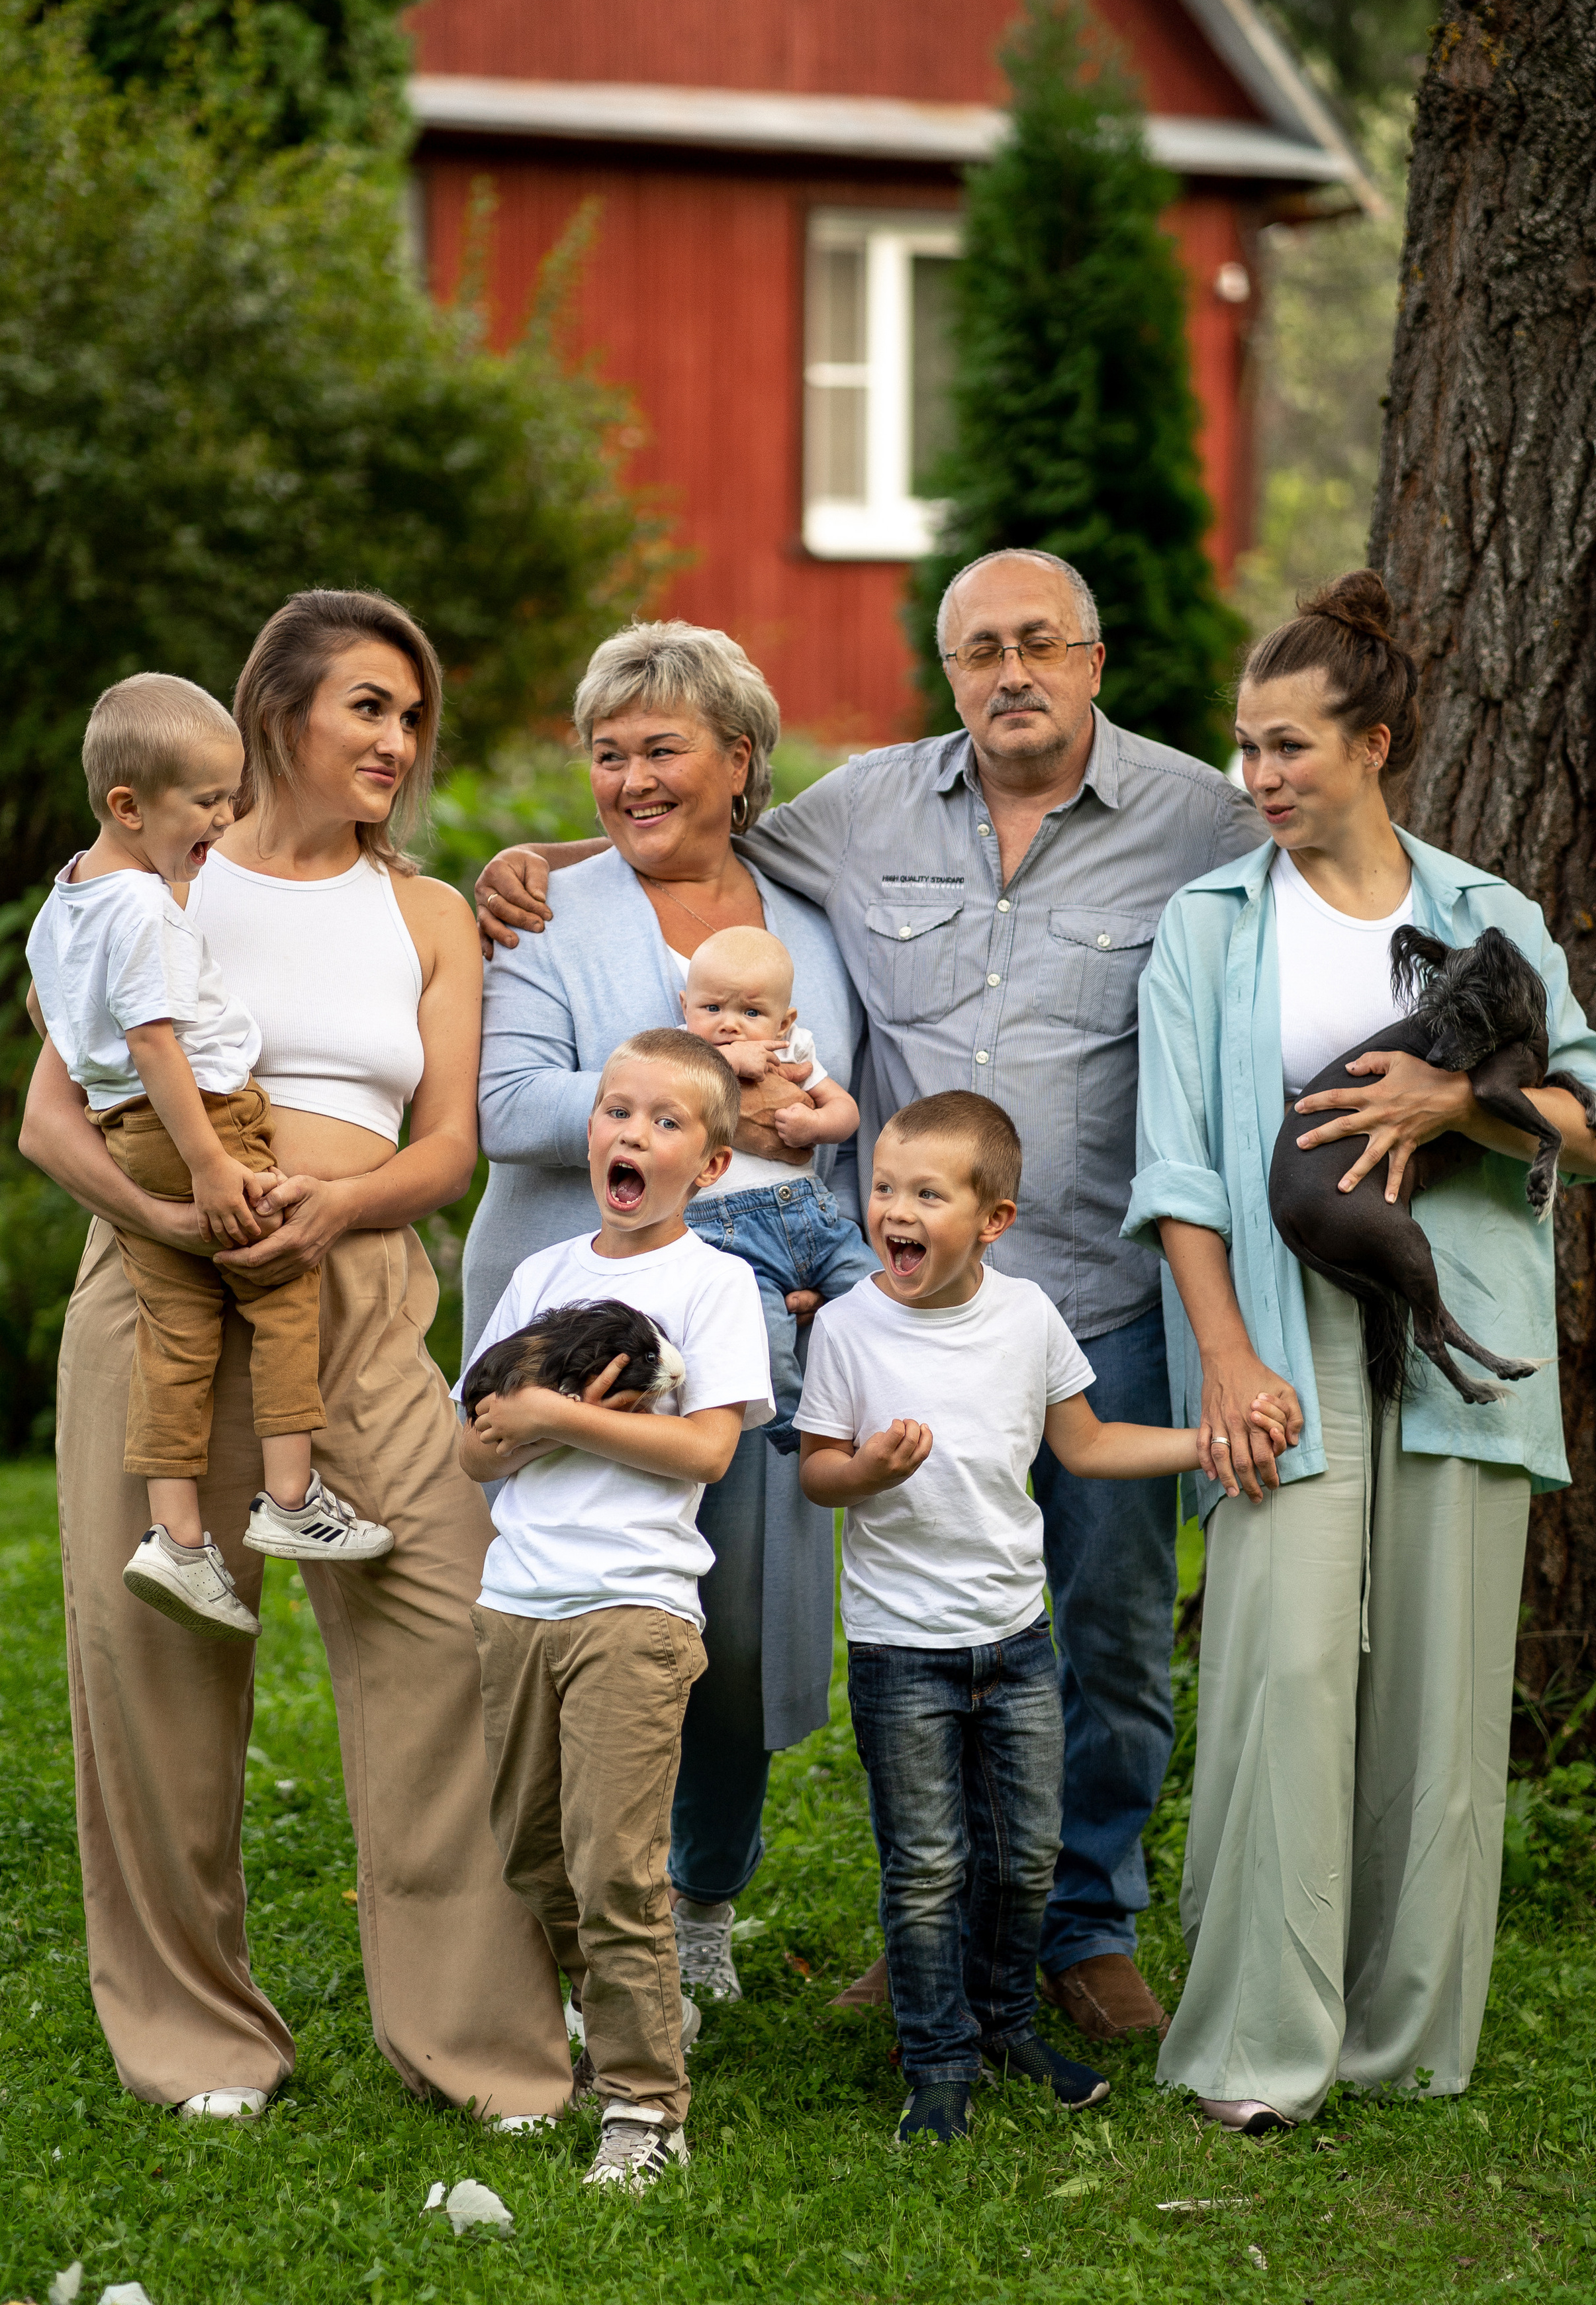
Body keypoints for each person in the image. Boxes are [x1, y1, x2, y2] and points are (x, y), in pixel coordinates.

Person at [475, 549, 1267, 2041]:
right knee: (912, 1637)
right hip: (901, 1317)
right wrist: (518, 861)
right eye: (978, 650)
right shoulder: (860, 815)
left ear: (1095, 659)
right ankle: (936, 1915)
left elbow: (1320, 915)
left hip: (1094, 1297)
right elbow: (663, 837)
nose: (1009, 673)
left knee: (1100, 1634)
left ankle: (1082, 1930)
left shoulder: (1197, 818)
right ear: (946, 669)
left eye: (1040, 644)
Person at [19, 589, 572, 2122]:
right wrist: (170, 1211)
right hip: (158, 1293)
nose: (398, 738)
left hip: (363, 1298)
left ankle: (477, 2037)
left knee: (449, 1627)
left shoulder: (430, 914)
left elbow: (449, 1145)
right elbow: (51, 1117)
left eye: (412, 714)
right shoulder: (152, 888)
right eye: (368, 708)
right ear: (276, 709)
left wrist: (328, 1204)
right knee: (157, 1660)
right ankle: (196, 2038)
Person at [1121, 571, 1596, 2130]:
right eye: (1241, 750)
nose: (1259, 777)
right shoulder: (1209, 926)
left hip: (1455, 1313)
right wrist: (1218, 1360)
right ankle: (1257, 2049)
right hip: (1271, 1321)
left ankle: (1404, 2040)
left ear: (1372, 743)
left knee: (1437, 1682)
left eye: (1286, 746)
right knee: (1277, 1666)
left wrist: (1455, 1103)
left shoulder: (1485, 916)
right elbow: (1179, 1170)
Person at [461, 620, 865, 2005]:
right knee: (582, 1619)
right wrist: (686, 1107)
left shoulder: (804, 923)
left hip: (756, 1328)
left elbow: (832, 1103)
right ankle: (567, 1930)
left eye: (661, 748)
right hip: (580, 1323)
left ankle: (698, 1900)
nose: (628, 778)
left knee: (738, 1636)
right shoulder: (542, 917)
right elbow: (505, 1108)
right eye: (605, 753)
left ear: (738, 760)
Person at [798, 1091, 1287, 2143]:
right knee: (927, 1865)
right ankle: (935, 2060)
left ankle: (1005, 2024)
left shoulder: (1028, 1318)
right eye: (884, 1188)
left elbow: (1090, 1447)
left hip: (1016, 1644)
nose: (895, 1209)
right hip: (902, 1652)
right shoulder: (846, 1327)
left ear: (994, 1221)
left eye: (927, 1193)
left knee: (1024, 1858)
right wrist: (863, 1468)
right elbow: (817, 1475)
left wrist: (1209, 1447)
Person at [459, 1028, 773, 2192]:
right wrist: (520, 1419)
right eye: (615, 1112)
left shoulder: (713, 1282)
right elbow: (473, 1450)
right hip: (516, 1605)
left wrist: (558, 1415)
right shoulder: (540, 1277)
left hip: (635, 1610)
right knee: (536, 1855)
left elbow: (706, 1445)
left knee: (616, 1863)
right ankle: (625, 2009)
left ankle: (643, 2107)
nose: (631, 1134)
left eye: (665, 1121)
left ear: (714, 1164)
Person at [25, 674, 391, 1641]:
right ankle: (290, 1497)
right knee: (279, 1294)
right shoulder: (143, 907)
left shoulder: (68, 899)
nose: (225, 821)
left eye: (232, 799)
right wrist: (213, 1166)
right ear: (128, 806)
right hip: (195, 1117)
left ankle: (178, 1538)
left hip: (123, 1131)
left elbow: (63, 1022)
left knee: (177, 1335)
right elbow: (154, 1041)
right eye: (206, 803)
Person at [677, 923, 875, 1454]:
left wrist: (815, 1128)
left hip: (814, 1219)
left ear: (784, 1021)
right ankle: (797, 1430)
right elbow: (667, 1105)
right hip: (729, 1239)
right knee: (764, 1339)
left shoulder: (795, 1049)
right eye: (712, 1009)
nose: (730, 1027)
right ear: (685, 1005)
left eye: (751, 1014)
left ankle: (897, 1394)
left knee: (877, 1296)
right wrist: (724, 1064)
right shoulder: (679, 1056)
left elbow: (845, 1111)